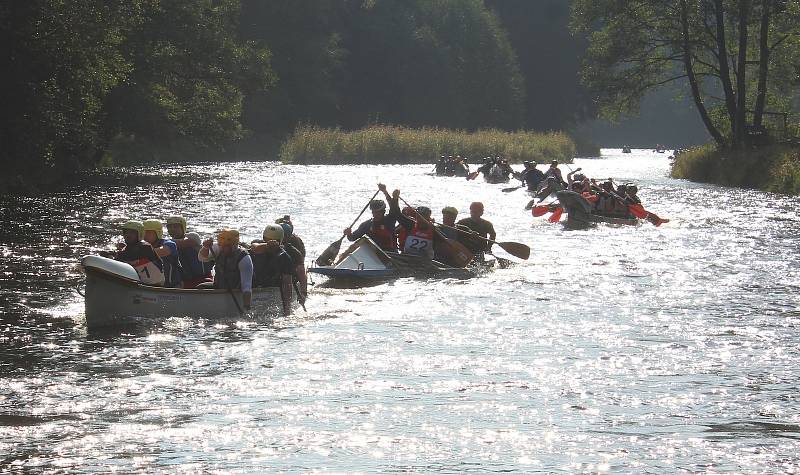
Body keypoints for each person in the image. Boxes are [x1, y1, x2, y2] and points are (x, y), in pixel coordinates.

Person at [198, 229, 253, 310]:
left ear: (234, 245)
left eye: (227, 246)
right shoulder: (218, 248)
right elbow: (202, 258)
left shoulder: (244, 258)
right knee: (200, 287)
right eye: (222, 246)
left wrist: (246, 306)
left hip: (235, 290)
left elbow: (246, 286)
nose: (224, 248)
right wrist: (205, 247)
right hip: (219, 286)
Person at [250, 224, 294, 315]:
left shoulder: (284, 257)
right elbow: (256, 247)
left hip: (271, 286)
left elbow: (287, 283)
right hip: (252, 285)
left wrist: (287, 308)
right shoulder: (256, 245)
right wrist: (268, 245)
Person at [344, 183, 400, 251]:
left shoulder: (389, 220)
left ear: (383, 212)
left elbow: (393, 208)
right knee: (356, 244)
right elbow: (352, 238)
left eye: (378, 212)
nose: (375, 215)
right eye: (374, 212)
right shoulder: (367, 225)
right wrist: (349, 233)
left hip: (390, 254)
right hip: (372, 254)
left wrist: (385, 192)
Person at [166, 216, 212, 288]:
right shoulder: (167, 244)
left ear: (183, 228)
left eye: (175, 227)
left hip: (203, 279)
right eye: (169, 227)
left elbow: (185, 243)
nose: (172, 229)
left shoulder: (192, 236)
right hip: (185, 280)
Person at [114, 220, 165, 286]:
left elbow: (131, 255)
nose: (128, 235)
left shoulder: (146, 247)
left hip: (155, 286)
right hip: (138, 285)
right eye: (126, 232)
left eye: (132, 233)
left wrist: (115, 254)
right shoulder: (124, 250)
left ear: (140, 234)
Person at [142, 219, 182, 288]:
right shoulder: (142, 246)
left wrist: (135, 253)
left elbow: (162, 250)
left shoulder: (169, 244)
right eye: (143, 232)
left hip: (172, 287)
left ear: (157, 233)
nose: (145, 235)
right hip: (151, 285)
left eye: (148, 232)